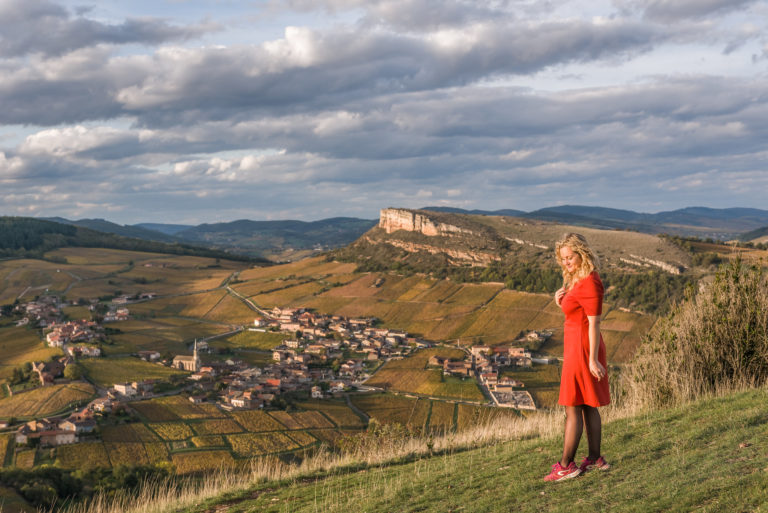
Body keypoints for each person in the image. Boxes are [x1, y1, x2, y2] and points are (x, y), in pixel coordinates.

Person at [544, 232, 612, 482]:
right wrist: (559, 300)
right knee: (586, 405)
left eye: (569, 257)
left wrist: (592, 359)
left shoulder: (591, 282)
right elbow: (575, 312)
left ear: (581, 254)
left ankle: (566, 465)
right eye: (562, 258)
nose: (565, 263)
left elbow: (594, 324)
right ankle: (595, 458)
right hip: (576, 347)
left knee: (573, 406)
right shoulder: (577, 279)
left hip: (584, 349)